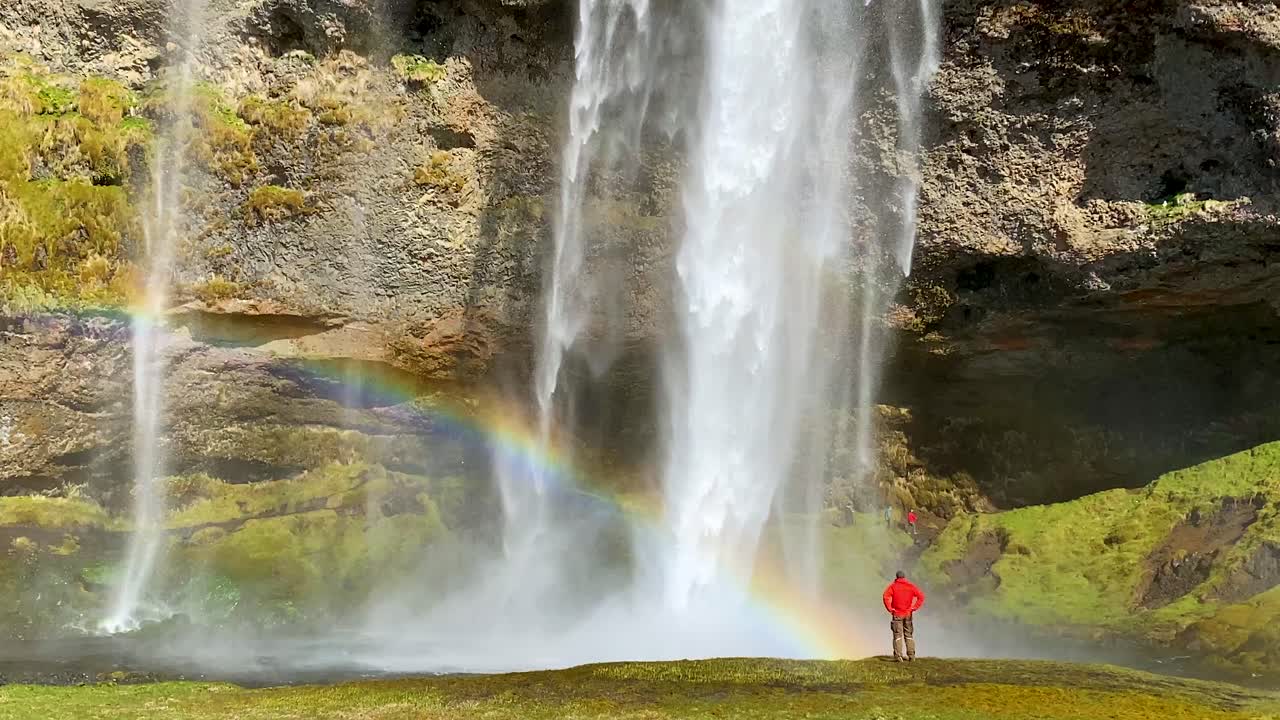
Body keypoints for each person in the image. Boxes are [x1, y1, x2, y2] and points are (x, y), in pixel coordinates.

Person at [882, 570, 925, 661]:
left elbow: (885, 596)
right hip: (908, 614)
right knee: (909, 634)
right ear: (904, 577)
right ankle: (911, 655)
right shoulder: (911, 586)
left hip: (897, 614)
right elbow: (921, 596)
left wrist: (890, 609)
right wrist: (914, 608)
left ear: (896, 577)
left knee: (898, 635)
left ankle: (898, 656)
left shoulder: (893, 586)